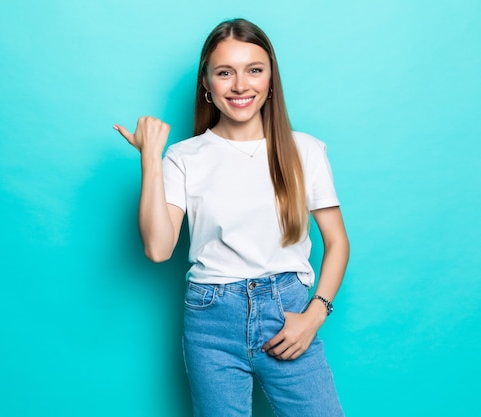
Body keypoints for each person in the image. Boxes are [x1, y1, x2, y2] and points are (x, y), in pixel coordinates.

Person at [114, 18, 349, 417]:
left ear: (271, 79)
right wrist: (150, 158)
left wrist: (315, 314)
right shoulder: (184, 157)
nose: (241, 85)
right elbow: (157, 249)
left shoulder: (304, 150)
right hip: (211, 322)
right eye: (225, 73)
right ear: (207, 84)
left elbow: (337, 242)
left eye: (254, 70)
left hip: (286, 312)